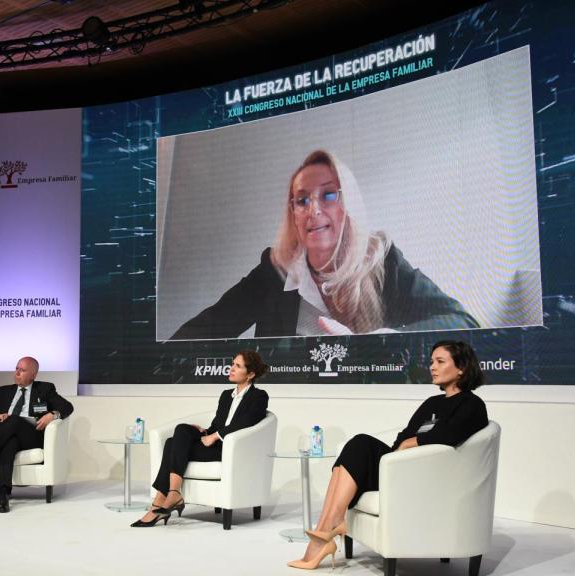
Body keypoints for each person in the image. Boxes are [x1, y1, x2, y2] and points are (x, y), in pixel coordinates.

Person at [172, 149, 478, 339]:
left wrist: (379, 340)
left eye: (329, 194)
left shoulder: (382, 260)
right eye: (301, 200)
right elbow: (208, 327)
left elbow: (462, 322)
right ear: (292, 212)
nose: (313, 209)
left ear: (349, 204)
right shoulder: (275, 270)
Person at [287, 340, 489, 570]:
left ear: (461, 367)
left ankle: (325, 534)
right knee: (356, 446)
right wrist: (400, 450)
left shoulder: (472, 404)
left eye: (440, 362)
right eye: (432, 361)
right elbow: (404, 434)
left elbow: (450, 434)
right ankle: (325, 529)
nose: (432, 367)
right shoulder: (433, 402)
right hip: (399, 468)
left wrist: (408, 445)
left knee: (361, 445)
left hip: (426, 476)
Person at [131, 349, 270, 527]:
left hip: (228, 449)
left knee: (172, 444)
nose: (231, 368)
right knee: (180, 432)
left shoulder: (258, 396)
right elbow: (217, 424)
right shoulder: (226, 395)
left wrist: (215, 436)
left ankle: (161, 501)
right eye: (232, 364)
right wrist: (205, 431)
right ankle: (173, 492)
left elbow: (247, 422)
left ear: (250, 374)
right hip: (212, 441)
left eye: (237, 366)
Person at [0, 356, 73, 513]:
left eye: (22, 370)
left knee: (14, 419)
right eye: (16, 368)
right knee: (8, 443)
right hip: (6, 435)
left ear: (33, 375)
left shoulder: (45, 389)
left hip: (32, 436)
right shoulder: (3, 391)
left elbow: (67, 407)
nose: (17, 372)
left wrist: (52, 415)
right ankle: (3, 496)